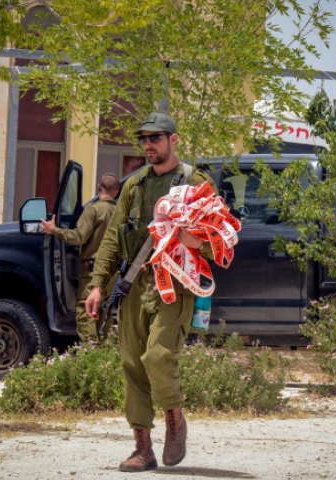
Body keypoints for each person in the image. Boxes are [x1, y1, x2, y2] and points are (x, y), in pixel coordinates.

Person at [85, 112, 215, 472]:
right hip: (133, 282)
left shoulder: (196, 181)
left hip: (173, 282)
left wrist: (194, 240)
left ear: (174, 140)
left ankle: (174, 417)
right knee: (131, 363)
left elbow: (215, 236)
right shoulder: (134, 185)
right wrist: (98, 284)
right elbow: (113, 237)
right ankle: (142, 447)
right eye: (143, 139)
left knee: (157, 356)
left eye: (155, 138)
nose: (148, 145)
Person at [41, 172, 120, 343]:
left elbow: (79, 237)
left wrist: (55, 230)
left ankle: (90, 351)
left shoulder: (93, 210)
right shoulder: (120, 213)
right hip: (112, 271)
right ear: (117, 191)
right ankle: (102, 351)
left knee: (86, 309)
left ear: (99, 188)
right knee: (103, 310)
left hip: (92, 271)